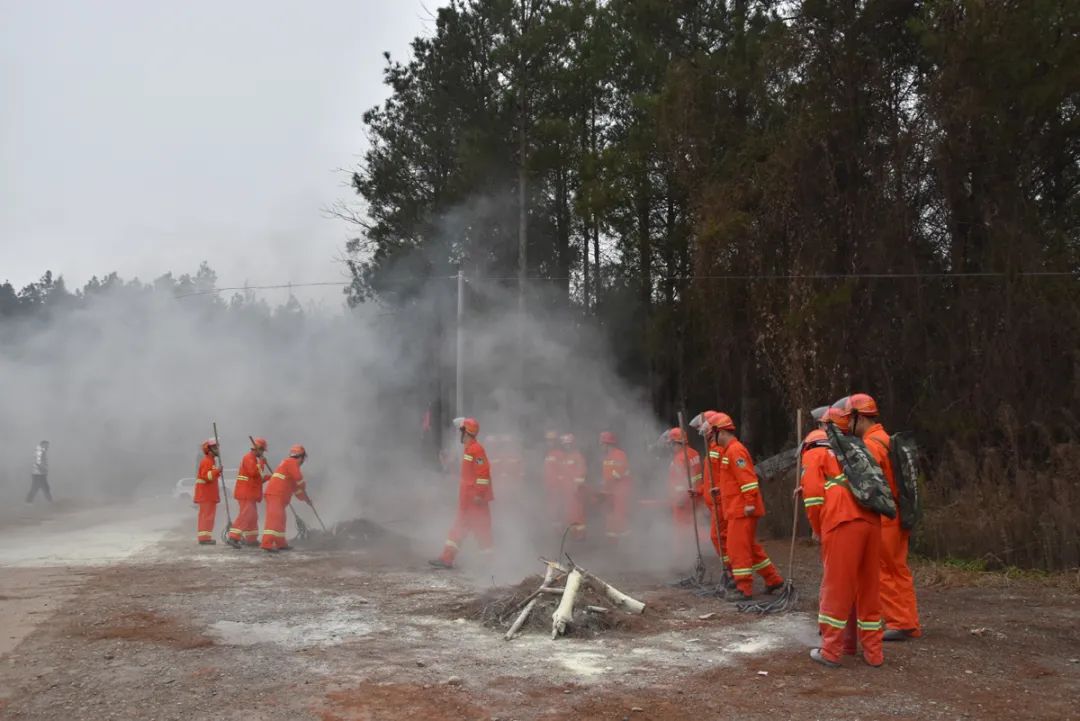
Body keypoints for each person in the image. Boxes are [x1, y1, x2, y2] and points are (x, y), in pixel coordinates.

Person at [809, 407, 885, 668]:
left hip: (842, 521)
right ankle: (872, 652)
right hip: (872, 520)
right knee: (868, 587)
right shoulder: (862, 449)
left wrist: (818, 529)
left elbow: (813, 497)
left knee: (837, 587)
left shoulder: (817, 451)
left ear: (826, 427)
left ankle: (831, 651)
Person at [845, 393, 922, 641]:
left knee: (883, 571)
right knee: (899, 569)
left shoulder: (871, 445)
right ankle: (909, 621)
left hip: (885, 517)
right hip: (899, 514)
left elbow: (867, 486)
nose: (847, 424)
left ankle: (898, 622)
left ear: (859, 418)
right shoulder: (886, 439)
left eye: (849, 419)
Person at [710, 412, 784, 601]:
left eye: (713, 434)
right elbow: (734, 482)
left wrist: (750, 503)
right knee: (750, 548)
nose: (712, 438)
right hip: (737, 509)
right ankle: (773, 579)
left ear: (721, 432)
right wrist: (720, 489)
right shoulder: (730, 451)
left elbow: (748, 480)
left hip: (742, 510)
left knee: (738, 550)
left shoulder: (735, 451)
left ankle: (744, 589)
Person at [430, 418, 494, 569]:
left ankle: (489, 565)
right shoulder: (469, 448)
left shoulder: (476, 449)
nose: (460, 434)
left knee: (482, 531)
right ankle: (447, 559)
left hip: (475, 501)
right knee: (459, 529)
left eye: (461, 431)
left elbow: (483, 473)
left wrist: (479, 494)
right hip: (468, 500)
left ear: (467, 432)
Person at [698, 413, 732, 587]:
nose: (702, 432)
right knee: (719, 538)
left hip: (720, 502)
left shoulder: (719, 450)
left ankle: (730, 570)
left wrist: (720, 492)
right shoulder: (712, 449)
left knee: (719, 537)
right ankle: (730, 570)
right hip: (715, 501)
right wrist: (699, 491)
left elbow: (723, 476)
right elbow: (709, 479)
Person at [261, 444, 310, 553]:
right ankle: (266, 544)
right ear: (301, 457)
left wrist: (306, 499)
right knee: (274, 519)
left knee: (281, 519)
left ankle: (281, 543)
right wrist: (303, 486)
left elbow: (296, 489)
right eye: (303, 458)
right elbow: (299, 479)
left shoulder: (289, 465)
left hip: (279, 496)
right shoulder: (291, 462)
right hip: (275, 495)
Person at [227, 437, 271, 548]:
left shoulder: (254, 460)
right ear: (258, 449)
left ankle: (251, 539)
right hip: (245, 493)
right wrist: (262, 462)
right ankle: (233, 537)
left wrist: (270, 477)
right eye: (262, 451)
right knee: (246, 515)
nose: (262, 454)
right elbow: (253, 472)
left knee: (253, 516)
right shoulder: (248, 458)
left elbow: (257, 479)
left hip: (250, 494)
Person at [666, 427, 703, 554]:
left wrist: (679, 500)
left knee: (681, 530)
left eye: (672, 444)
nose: (671, 448)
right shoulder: (694, 453)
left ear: (677, 443)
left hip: (683, 500)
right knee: (693, 526)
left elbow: (679, 483)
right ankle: (695, 551)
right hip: (696, 495)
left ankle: (682, 556)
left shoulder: (679, 459)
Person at [599, 431, 632, 543]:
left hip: (620, 492)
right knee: (610, 516)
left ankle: (624, 542)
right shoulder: (607, 457)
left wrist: (606, 484)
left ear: (608, 444)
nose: (601, 446)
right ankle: (612, 540)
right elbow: (607, 475)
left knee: (620, 516)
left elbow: (618, 474)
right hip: (610, 492)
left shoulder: (619, 455)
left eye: (602, 444)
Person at [561, 434, 588, 540]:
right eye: (565, 445)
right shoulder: (565, 458)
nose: (567, 447)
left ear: (572, 444)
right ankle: (573, 534)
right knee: (570, 513)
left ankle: (581, 534)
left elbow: (582, 472)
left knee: (578, 513)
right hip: (568, 491)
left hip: (576, 491)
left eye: (569, 444)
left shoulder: (577, 456)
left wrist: (577, 486)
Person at [195, 439, 222, 545]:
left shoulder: (211, 461)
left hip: (208, 494)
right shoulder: (207, 461)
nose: (218, 450)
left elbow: (211, 476)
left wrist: (217, 471)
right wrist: (217, 471)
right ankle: (204, 539)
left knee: (207, 516)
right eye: (215, 448)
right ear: (209, 450)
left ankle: (205, 537)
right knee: (207, 516)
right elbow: (207, 477)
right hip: (206, 494)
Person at [542, 430, 566, 531]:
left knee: (558, 509)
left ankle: (559, 530)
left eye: (551, 440)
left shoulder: (560, 454)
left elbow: (563, 471)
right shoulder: (548, 454)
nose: (549, 443)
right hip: (550, 487)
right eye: (548, 440)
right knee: (552, 508)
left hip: (557, 487)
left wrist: (559, 486)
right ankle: (554, 530)